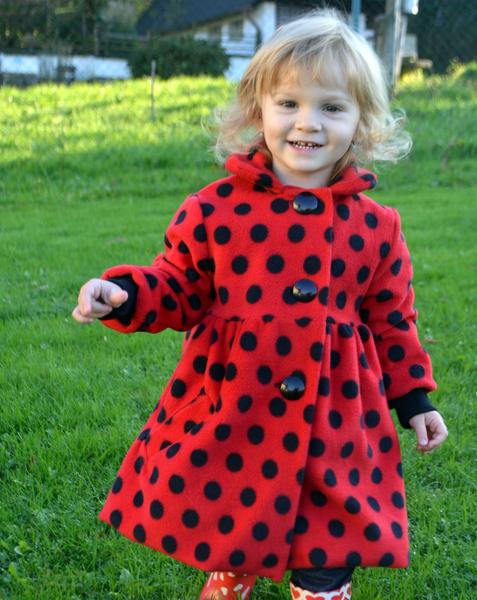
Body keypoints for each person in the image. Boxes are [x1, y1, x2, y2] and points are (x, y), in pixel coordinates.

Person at [73, 8, 448, 600]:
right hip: (236, 410)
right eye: (289, 103)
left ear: (362, 122)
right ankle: (230, 575)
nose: (308, 123)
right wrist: (125, 295)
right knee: (235, 530)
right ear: (258, 110)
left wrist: (415, 399)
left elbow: (393, 320)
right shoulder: (215, 208)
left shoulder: (378, 227)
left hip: (336, 423)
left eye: (332, 107)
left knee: (326, 550)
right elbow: (178, 285)